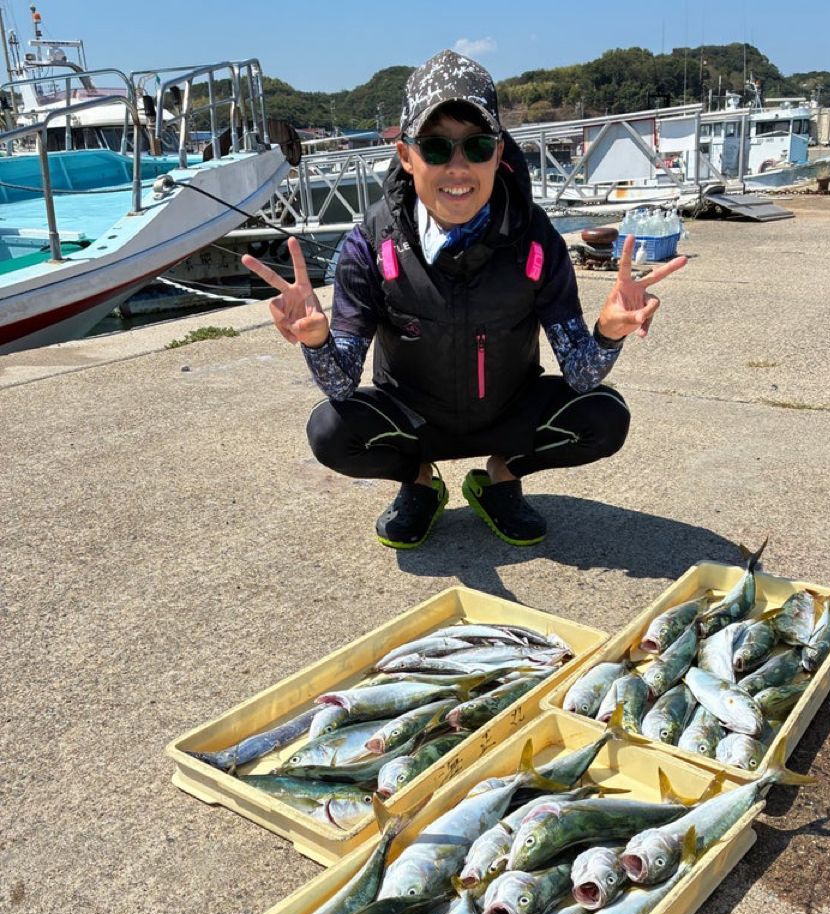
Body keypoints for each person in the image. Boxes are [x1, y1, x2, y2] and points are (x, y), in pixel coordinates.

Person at [244, 49, 686, 550]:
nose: (458, 167)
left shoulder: (537, 240)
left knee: (606, 417)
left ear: (498, 153)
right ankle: (419, 481)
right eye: (436, 148)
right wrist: (318, 341)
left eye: (476, 146)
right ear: (406, 156)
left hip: (508, 415)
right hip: (412, 420)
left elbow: (581, 375)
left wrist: (608, 333)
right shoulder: (368, 245)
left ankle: (502, 475)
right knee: (329, 431)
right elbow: (341, 385)